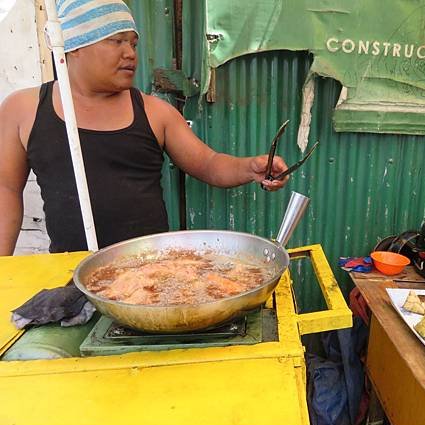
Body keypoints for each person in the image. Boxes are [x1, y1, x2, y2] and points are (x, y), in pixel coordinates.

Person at [0, 0, 289, 256]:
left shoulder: (154, 111)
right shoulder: (24, 110)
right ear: (74, 47)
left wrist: (250, 168)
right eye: (116, 41)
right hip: (70, 273)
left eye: (133, 44)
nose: (130, 54)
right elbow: (6, 190)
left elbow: (208, 163)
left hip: (150, 273)